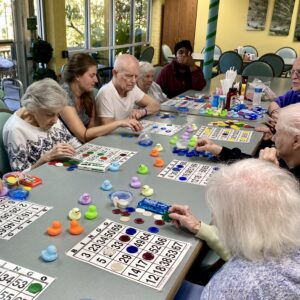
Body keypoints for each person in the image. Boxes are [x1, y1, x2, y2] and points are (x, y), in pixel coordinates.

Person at [173, 159, 300, 299]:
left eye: (218, 214)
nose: (214, 218)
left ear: (238, 224)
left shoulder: (240, 285)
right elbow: (247, 252)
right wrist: (199, 227)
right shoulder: (283, 240)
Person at [196, 103, 300, 180]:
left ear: (296, 141)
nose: (273, 138)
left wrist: (270, 174)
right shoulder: (288, 160)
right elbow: (252, 162)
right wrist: (219, 150)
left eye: (277, 133)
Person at [3, 78, 82, 172]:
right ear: (33, 109)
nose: (56, 120)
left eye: (58, 114)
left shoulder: (50, 112)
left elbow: (73, 143)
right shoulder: (15, 130)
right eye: (50, 115)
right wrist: (46, 158)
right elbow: (19, 176)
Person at [61, 53, 142, 143]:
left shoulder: (92, 93)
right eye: (91, 76)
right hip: (67, 147)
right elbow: (83, 135)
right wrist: (120, 122)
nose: (96, 80)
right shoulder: (63, 96)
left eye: (96, 75)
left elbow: (93, 129)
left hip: (87, 144)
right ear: (77, 76)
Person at [96, 54, 160, 125]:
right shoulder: (105, 93)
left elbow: (155, 105)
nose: (133, 81)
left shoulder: (132, 88)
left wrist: (143, 111)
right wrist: (125, 122)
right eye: (129, 76)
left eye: (136, 76)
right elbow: (107, 126)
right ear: (115, 73)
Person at [257, 57, 300, 137]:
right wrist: (276, 114)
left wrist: (282, 121)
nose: (294, 76)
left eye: (299, 72)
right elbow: (274, 103)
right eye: (292, 72)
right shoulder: (294, 93)